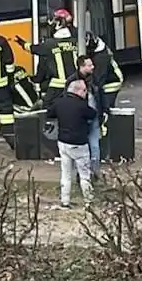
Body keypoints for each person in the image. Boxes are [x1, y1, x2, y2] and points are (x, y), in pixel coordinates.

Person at [47, 79, 96, 209]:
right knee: (85, 175)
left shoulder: (59, 102)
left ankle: (65, 201)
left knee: (66, 174)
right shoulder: (81, 106)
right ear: (78, 91)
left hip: (63, 142)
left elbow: (50, 113)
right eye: (84, 90)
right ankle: (88, 202)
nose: (86, 93)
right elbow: (93, 114)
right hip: (79, 144)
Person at [18, 22, 78, 109]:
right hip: (75, 82)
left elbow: (34, 48)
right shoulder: (75, 42)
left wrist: (22, 43)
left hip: (58, 84)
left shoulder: (49, 44)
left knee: (47, 106)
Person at [88, 32, 123, 111]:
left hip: (111, 84)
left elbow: (99, 78)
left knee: (105, 108)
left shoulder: (101, 57)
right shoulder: (100, 49)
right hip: (110, 80)